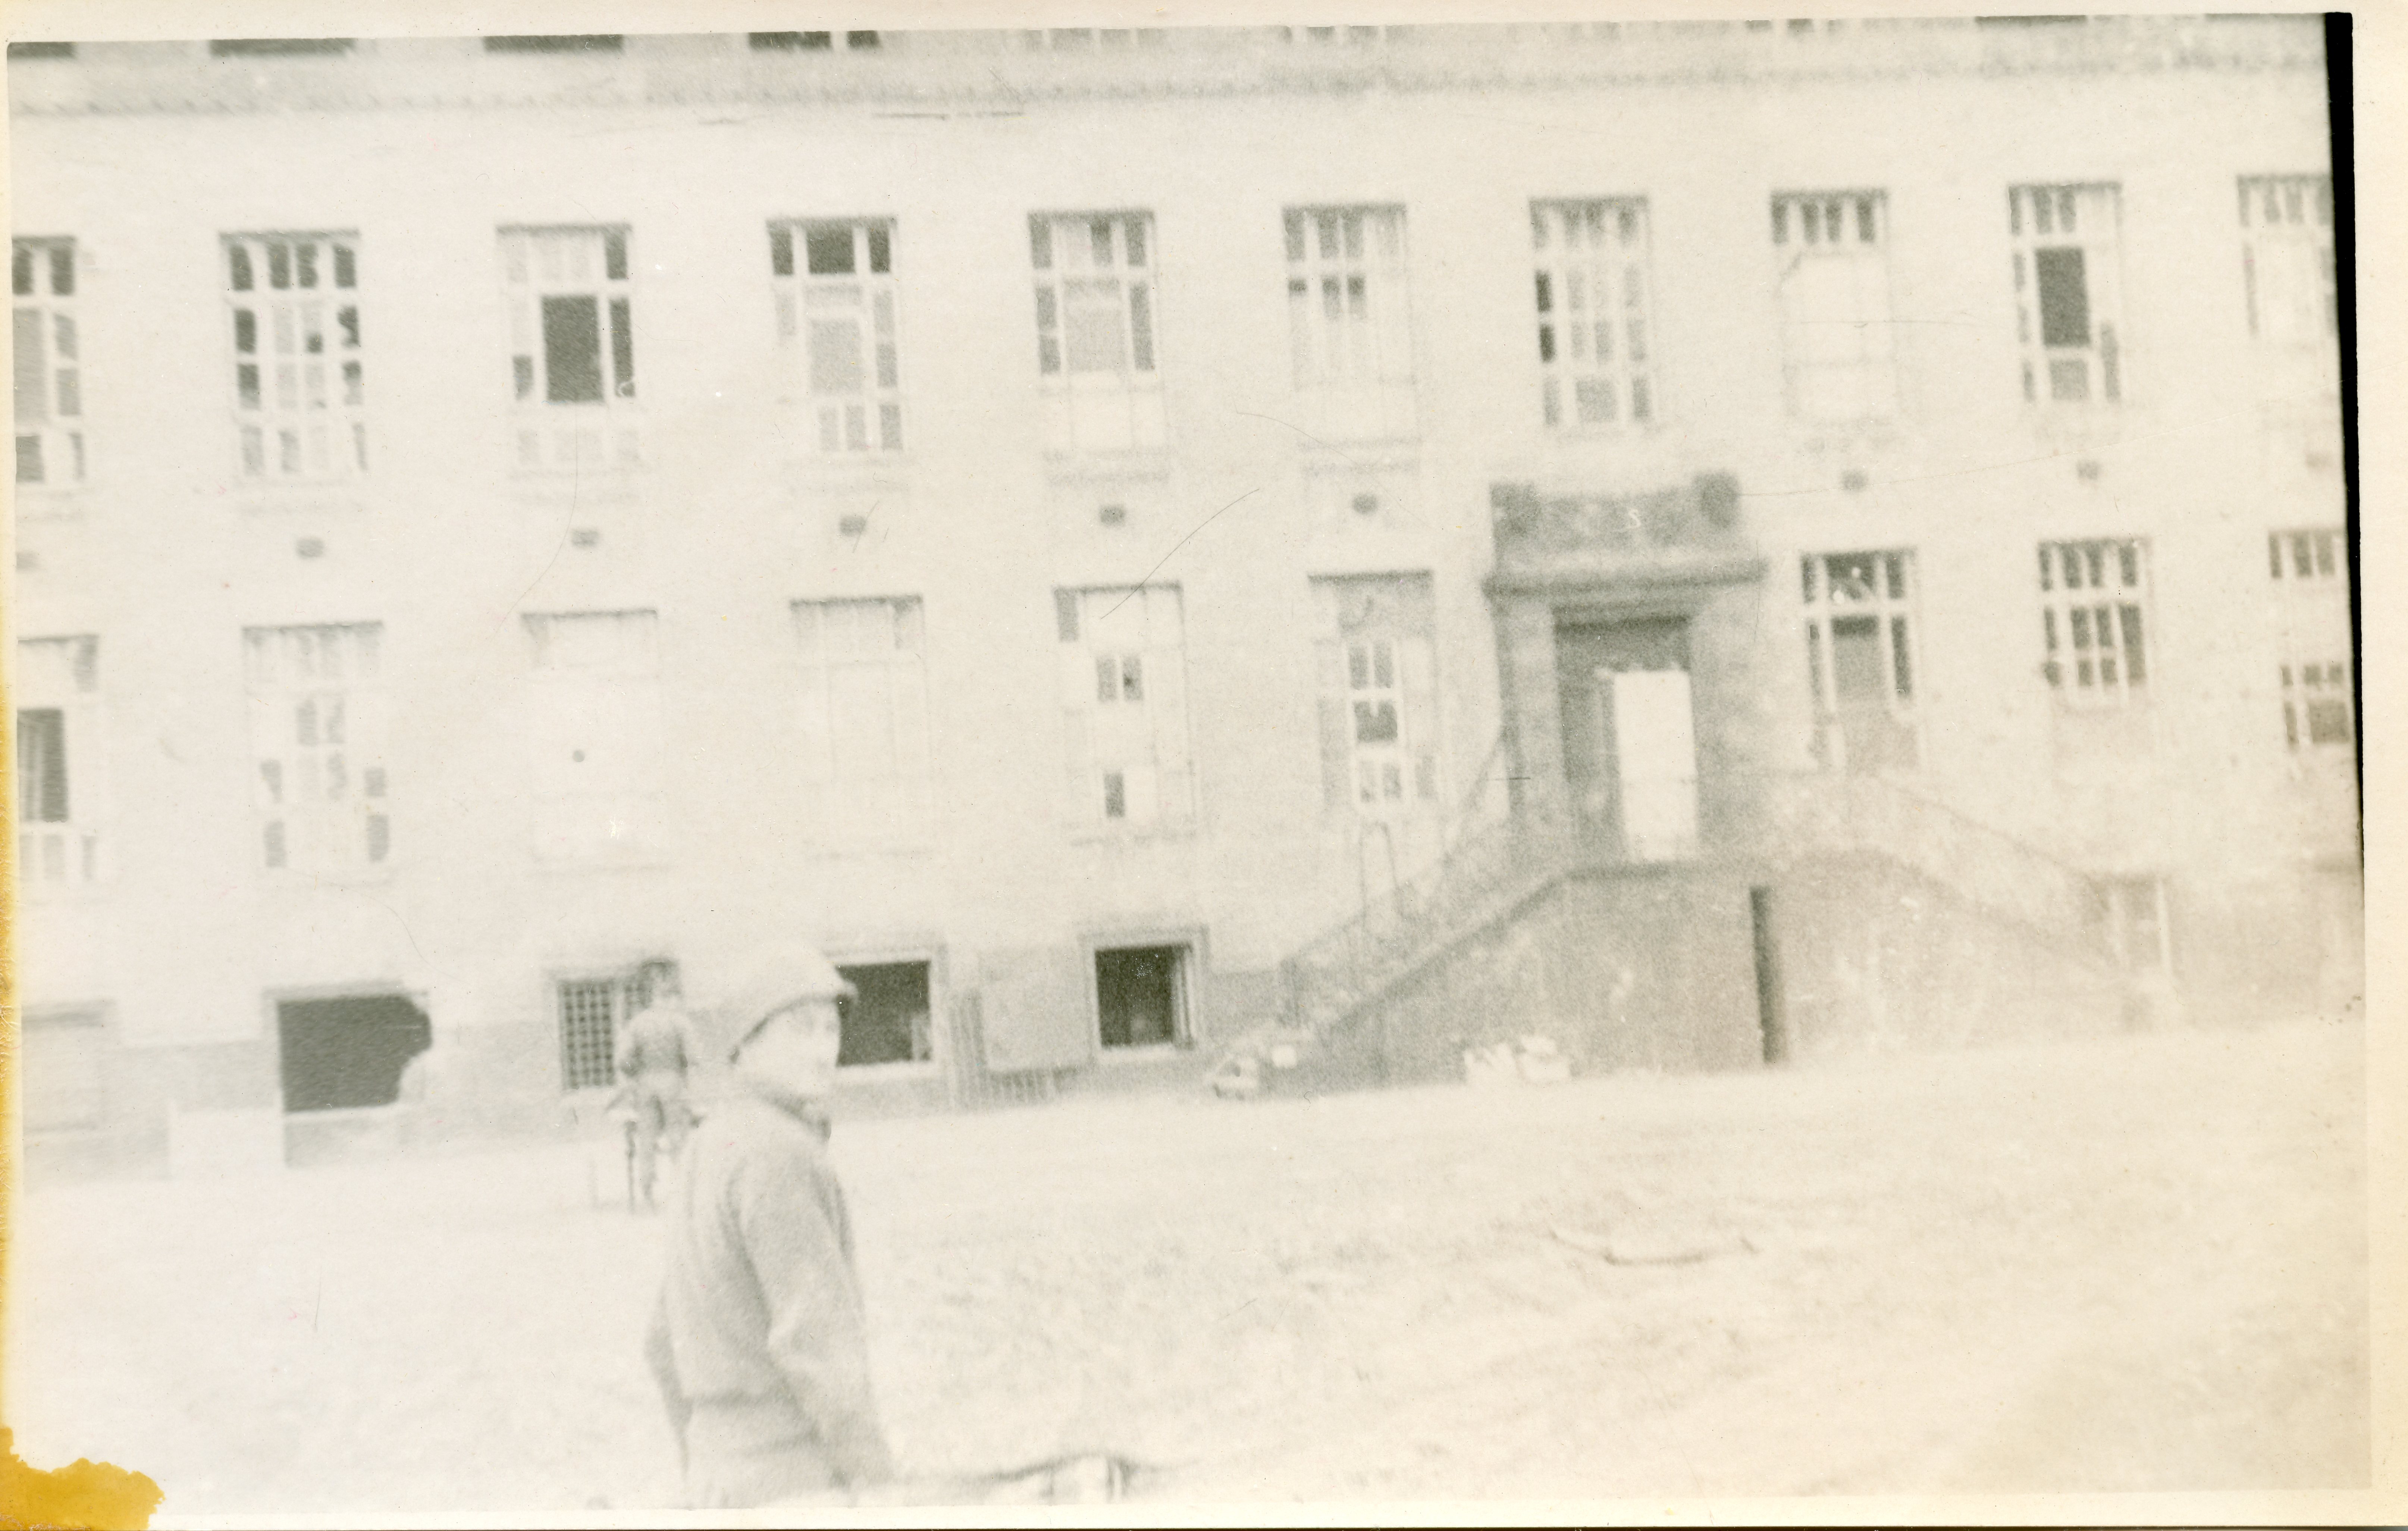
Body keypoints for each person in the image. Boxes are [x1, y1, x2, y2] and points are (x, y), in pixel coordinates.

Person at [644, 943, 896, 1508]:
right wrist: (876, 1481)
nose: (823, 1052)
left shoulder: (706, 1145)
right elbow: (818, 1343)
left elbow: (661, 1341)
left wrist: (704, 1462)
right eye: (801, 1030)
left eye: (831, 1030)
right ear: (747, 1043)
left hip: (717, 1476)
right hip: (795, 1476)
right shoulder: (781, 1153)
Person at [614, 961, 699, 1209]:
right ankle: (683, 1193)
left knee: (647, 1140)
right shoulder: (680, 1023)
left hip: (646, 1085)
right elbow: (693, 1058)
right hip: (673, 1083)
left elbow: (623, 1060)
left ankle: (647, 1194)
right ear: (667, 997)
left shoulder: (637, 1024)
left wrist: (638, 1073)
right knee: (678, 1139)